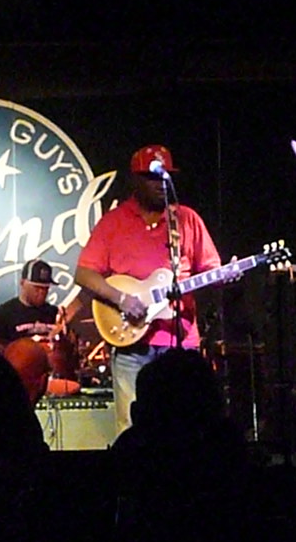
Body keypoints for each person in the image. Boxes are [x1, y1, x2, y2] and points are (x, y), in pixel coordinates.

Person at [75, 144, 229, 435]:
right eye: (152, 177)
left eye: (165, 176)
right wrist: (121, 299)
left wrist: (225, 275)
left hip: (181, 341)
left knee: (187, 426)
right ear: (135, 180)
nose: (160, 183)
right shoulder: (114, 222)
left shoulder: (186, 219)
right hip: (132, 342)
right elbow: (83, 273)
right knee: (133, 427)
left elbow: (211, 270)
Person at [0, 259, 66, 343]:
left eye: (45, 288)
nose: (41, 292)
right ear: (22, 283)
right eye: (36, 287)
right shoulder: (1, 317)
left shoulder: (55, 314)